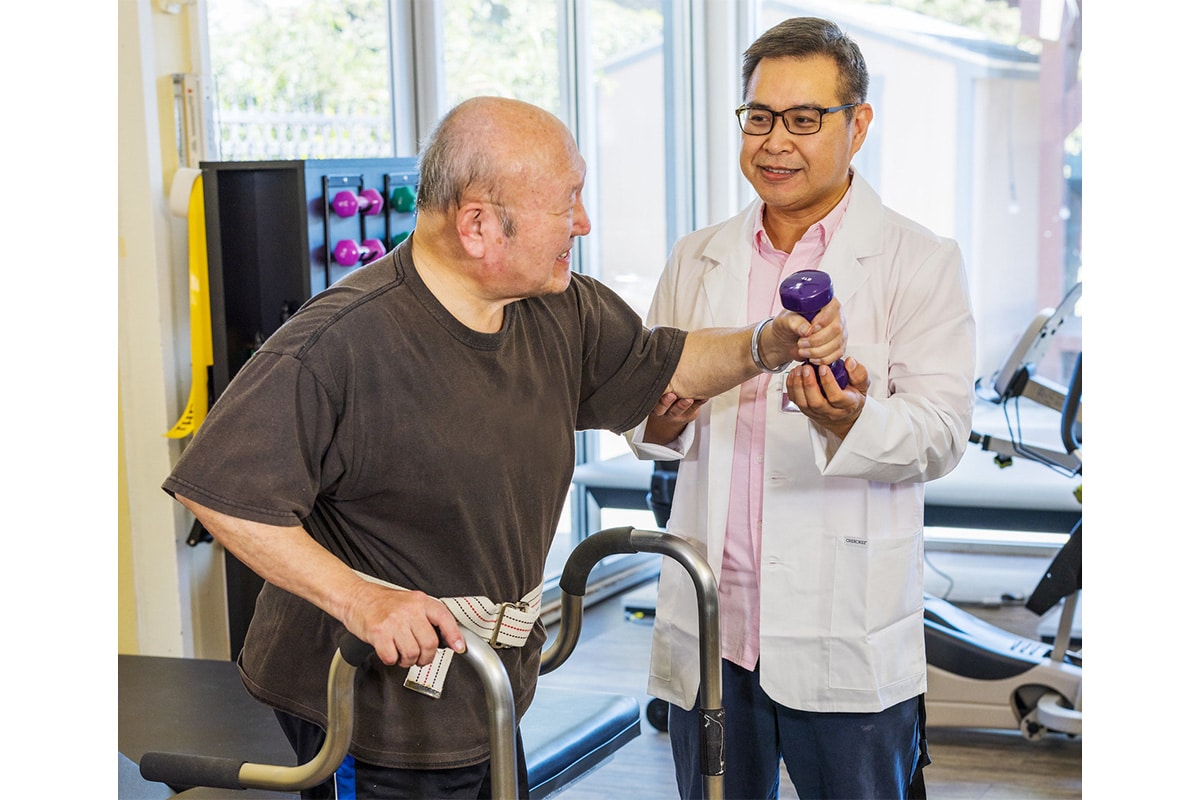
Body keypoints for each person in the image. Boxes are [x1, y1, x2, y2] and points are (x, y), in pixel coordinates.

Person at [161, 96, 846, 799]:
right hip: (370, 704)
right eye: (567, 202)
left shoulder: (559, 307)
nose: (584, 222)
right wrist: (362, 600)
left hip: (484, 686)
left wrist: (769, 343)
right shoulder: (338, 344)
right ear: (478, 225)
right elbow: (220, 492)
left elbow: (665, 363)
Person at [624, 17, 977, 800]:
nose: (775, 142)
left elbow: (944, 434)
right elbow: (648, 417)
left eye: (804, 119)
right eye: (759, 117)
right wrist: (666, 411)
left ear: (859, 125)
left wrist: (851, 418)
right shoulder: (697, 257)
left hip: (844, 628)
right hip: (715, 626)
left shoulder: (919, 260)